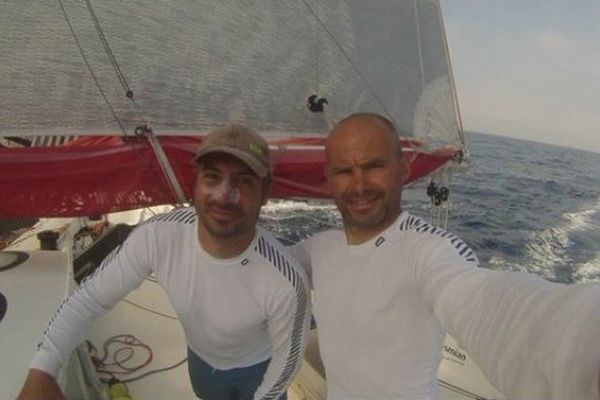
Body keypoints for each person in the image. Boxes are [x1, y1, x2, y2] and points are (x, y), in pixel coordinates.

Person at [291, 112, 600, 399]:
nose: (359, 185)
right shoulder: (318, 248)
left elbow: (481, 299)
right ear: (329, 179)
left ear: (403, 169)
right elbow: (262, 267)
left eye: (374, 166)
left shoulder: (429, 250)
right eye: (345, 171)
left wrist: (583, 349)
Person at [18, 123, 312, 400]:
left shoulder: (284, 280)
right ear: (195, 181)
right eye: (212, 177)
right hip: (201, 361)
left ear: (264, 194)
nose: (225, 196)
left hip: (257, 367)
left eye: (244, 182)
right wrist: (43, 368)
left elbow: (286, 363)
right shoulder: (158, 236)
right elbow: (90, 299)